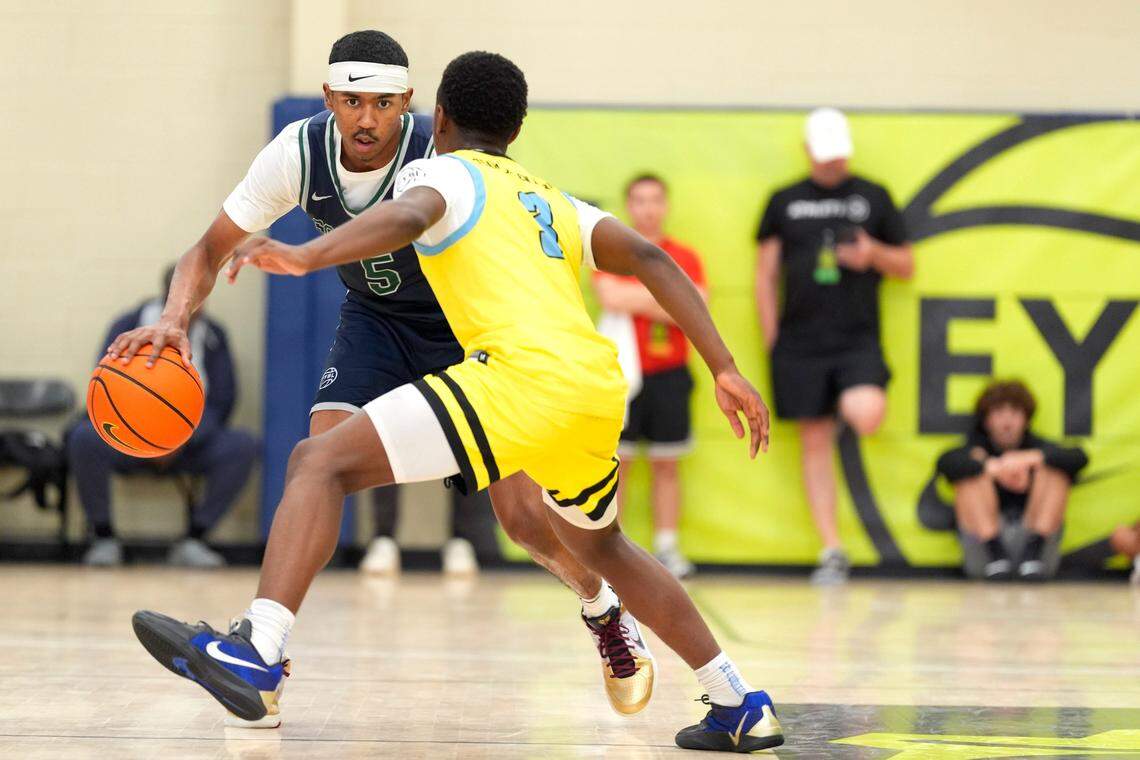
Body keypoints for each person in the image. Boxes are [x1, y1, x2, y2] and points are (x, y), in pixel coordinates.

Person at [128, 51, 785, 753]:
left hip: (513, 379)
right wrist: (725, 367)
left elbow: (409, 215)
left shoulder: (436, 171)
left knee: (319, 465)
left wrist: (306, 256)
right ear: (517, 129)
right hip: (593, 387)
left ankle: (259, 650)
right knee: (604, 543)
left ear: (433, 116)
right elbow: (654, 260)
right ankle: (737, 700)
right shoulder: (546, 195)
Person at [755, 107, 914, 584]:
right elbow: (765, 275)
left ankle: (844, 397)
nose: (832, 164)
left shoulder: (874, 195)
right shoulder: (784, 201)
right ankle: (832, 548)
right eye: (824, 156)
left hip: (856, 338)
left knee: (866, 412)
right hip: (800, 342)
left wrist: (873, 255)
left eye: (838, 155)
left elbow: (906, 264)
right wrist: (773, 339)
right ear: (808, 151)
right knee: (815, 440)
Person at [67, 265, 257, 568]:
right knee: (83, 438)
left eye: (200, 297)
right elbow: (103, 389)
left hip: (189, 442)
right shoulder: (128, 324)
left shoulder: (214, 336)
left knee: (242, 445)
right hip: (129, 438)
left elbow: (223, 402)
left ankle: (195, 539)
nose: (195, 304)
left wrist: (178, 438)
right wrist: (144, 432)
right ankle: (103, 537)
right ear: (169, 296)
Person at [593, 174, 706, 578]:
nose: (647, 208)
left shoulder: (685, 256)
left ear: (666, 205)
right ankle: (610, 550)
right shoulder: (611, 250)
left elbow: (696, 306)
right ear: (628, 205)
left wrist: (655, 300)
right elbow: (611, 296)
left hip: (670, 373)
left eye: (655, 200)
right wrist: (669, 296)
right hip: (622, 375)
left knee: (666, 464)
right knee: (617, 463)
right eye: (639, 200)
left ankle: (667, 546)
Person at [937, 380, 1088, 581]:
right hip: (984, 555)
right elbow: (945, 462)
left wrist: (1030, 459)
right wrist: (993, 468)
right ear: (986, 420)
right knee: (970, 471)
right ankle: (995, 551)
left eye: (1015, 413)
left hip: (1037, 557)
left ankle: (1033, 549)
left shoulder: (1036, 446)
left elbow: (1079, 457)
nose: (1007, 422)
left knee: (1055, 470)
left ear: (1026, 419)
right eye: (999, 413)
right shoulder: (975, 447)